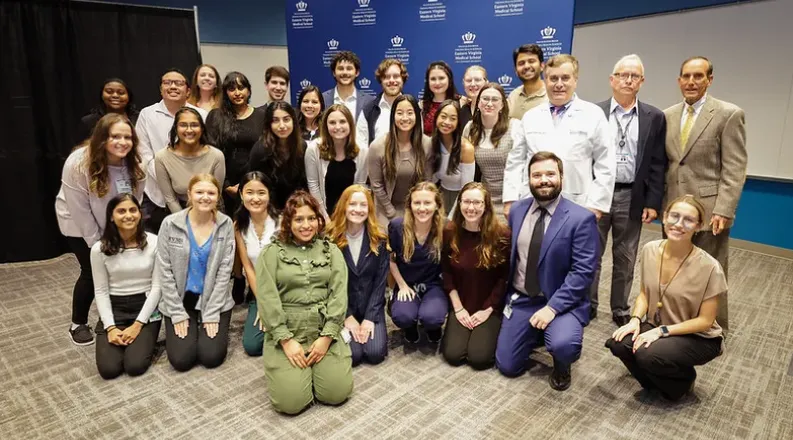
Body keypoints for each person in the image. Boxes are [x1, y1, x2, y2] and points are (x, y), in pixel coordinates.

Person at [496, 152, 599, 391]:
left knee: (564, 345)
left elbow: (583, 272)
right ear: (529, 179)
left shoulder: (580, 218)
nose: (544, 180)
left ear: (561, 177)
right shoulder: (517, 211)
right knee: (508, 366)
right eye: (537, 175)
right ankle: (536, 332)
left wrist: (552, 308)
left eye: (550, 174)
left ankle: (561, 363)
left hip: (561, 302)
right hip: (522, 298)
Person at [605, 195, 725, 401]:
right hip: (658, 325)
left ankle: (683, 381)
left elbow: (705, 321)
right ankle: (656, 382)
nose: (679, 224)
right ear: (665, 217)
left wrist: (661, 332)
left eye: (688, 220)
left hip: (698, 336)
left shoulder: (710, 267)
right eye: (674, 216)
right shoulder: (650, 249)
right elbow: (645, 293)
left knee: (647, 354)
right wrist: (634, 320)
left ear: (698, 226)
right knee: (618, 343)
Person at [663, 56, 747, 332]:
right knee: (674, 267)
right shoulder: (668, 115)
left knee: (712, 269)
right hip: (674, 210)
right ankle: (677, 320)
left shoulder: (728, 114)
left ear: (709, 80)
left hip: (710, 211)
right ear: (679, 80)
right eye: (686, 76)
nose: (691, 82)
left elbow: (734, 167)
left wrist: (725, 209)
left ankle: (714, 326)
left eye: (698, 76)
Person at [255, 190, 353, 415]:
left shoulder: (331, 250)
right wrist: (286, 341)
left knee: (337, 394)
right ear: (288, 222)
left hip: (323, 329)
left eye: (311, 218)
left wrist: (327, 337)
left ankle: (318, 371)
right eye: (298, 219)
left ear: (319, 220)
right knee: (290, 404)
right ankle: (293, 373)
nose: (306, 225)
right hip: (288, 331)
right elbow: (267, 298)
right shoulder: (271, 252)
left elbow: (339, 295)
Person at [55, 113, 146, 346]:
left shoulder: (135, 163)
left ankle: (109, 317)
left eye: (127, 137)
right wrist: (97, 243)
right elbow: (80, 209)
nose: (122, 142)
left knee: (116, 268)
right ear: (101, 138)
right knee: (92, 270)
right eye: (115, 136)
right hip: (78, 223)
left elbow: (133, 200)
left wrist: (127, 230)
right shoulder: (78, 163)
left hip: (116, 220)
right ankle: (78, 323)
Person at [590, 54, 667, 324]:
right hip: (596, 195)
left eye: (634, 76)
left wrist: (652, 202)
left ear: (641, 82)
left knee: (625, 257)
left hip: (631, 195)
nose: (628, 80)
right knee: (591, 254)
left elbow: (658, 163)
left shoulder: (654, 117)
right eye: (623, 74)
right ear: (612, 80)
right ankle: (588, 305)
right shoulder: (593, 113)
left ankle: (620, 309)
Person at [503, 54, 615, 222]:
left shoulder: (593, 115)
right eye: (553, 78)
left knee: (573, 247)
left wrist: (597, 205)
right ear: (545, 80)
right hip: (532, 201)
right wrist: (510, 198)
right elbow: (515, 161)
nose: (559, 84)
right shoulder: (531, 117)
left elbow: (606, 164)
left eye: (565, 78)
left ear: (575, 80)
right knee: (533, 247)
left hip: (577, 203)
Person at [157, 174, 236, 371]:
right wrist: (176, 312)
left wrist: (211, 313)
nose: (205, 197)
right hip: (181, 298)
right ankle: (190, 322)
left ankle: (203, 321)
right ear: (189, 195)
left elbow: (224, 273)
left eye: (211, 193)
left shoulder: (225, 224)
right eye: (199, 192)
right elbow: (164, 271)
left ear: (218, 197)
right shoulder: (170, 224)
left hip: (213, 298)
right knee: (182, 360)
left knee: (211, 357)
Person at [441, 182, 510, 370]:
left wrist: (487, 309)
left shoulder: (502, 235)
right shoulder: (449, 232)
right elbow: (446, 273)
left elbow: (504, 278)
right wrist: (458, 309)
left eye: (477, 203)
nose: (471, 208)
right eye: (466, 202)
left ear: (486, 205)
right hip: (461, 303)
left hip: (489, 305)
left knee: (479, 359)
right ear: (459, 203)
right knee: (453, 355)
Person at [92, 194, 162, 379]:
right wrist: (110, 327)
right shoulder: (99, 249)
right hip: (115, 308)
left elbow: (157, 288)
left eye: (133, 210)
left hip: (146, 305)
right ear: (111, 217)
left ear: (140, 214)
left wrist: (138, 325)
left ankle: (145, 340)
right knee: (109, 370)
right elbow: (100, 290)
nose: (128, 215)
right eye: (121, 211)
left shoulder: (154, 242)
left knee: (135, 366)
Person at [136, 68, 208, 233]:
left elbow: (205, 152)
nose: (173, 86)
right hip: (155, 195)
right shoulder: (147, 114)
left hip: (193, 193)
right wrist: (168, 180)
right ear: (161, 89)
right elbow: (144, 155)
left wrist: (185, 183)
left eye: (179, 83)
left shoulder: (201, 115)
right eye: (168, 83)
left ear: (188, 91)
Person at [326, 185, 390, 366]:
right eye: (352, 204)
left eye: (363, 205)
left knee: (375, 353)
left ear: (370, 209)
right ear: (343, 206)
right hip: (342, 308)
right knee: (353, 356)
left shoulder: (379, 238)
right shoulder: (330, 238)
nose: (358, 209)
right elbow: (329, 284)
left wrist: (370, 318)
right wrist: (346, 316)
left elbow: (380, 283)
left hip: (371, 307)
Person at [388, 182, 447, 349]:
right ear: (409, 205)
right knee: (403, 316)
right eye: (417, 203)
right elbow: (390, 260)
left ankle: (431, 325)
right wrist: (401, 285)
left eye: (427, 203)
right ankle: (410, 325)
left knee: (432, 317)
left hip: (433, 284)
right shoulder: (397, 227)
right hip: (407, 283)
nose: (422, 208)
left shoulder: (446, 228)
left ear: (437, 205)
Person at [367, 94, 434, 227]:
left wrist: (416, 210)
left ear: (416, 115)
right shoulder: (377, 146)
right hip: (386, 210)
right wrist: (391, 212)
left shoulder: (427, 144)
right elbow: (376, 185)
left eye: (410, 113)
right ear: (393, 116)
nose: (405, 118)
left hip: (418, 208)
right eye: (399, 113)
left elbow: (427, 182)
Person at [205, 72, 266, 215]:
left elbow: (265, 151)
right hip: (224, 186)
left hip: (256, 183)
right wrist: (226, 185)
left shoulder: (262, 115)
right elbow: (210, 152)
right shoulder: (216, 116)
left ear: (249, 90)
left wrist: (251, 183)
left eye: (241, 88)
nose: (237, 93)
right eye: (232, 89)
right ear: (225, 92)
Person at [234, 172, 279, 357]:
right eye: (249, 192)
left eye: (261, 192)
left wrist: (276, 303)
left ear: (269, 194)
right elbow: (248, 267)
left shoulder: (282, 222)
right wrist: (263, 303)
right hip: (259, 291)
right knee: (252, 346)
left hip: (286, 289)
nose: (255, 198)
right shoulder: (238, 226)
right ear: (241, 195)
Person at [462, 82, 522, 216]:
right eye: (485, 99)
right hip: (483, 203)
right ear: (478, 103)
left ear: (502, 105)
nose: (489, 103)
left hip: (513, 200)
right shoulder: (470, 129)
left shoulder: (515, 127)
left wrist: (512, 200)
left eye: (495, 99)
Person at [154, 107, 225, 213]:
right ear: (176, 129)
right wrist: (185, 221)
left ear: (202, 129)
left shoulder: (216, 156)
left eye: (194, 125)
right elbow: (170, 199)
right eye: (183, 125)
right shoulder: (162, 157)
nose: (189, 130)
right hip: (178, 212)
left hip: (211, 210)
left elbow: (216, 194)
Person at [305, 104, 369, 218]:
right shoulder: (313, 149)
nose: (338, 127)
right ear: (325, 126)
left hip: (352, 215)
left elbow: (361, 187)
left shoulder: (363, 151)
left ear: (350, 124)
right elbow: (313, 186)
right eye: (332, 123)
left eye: (342, 122)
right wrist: (325, 218)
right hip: (323, 214)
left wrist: (351, 219)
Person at [247, 101, 308, 211]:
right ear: (269, 124)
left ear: (293, 121)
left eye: (286, 119)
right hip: (268, 209)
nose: (282, 126)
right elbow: (257, 187)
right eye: (275, 120)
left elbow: (303, 184)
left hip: (296, 208)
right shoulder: (260, 150)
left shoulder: (302, 146)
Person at [431, 100, 475, 210]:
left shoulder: (466, 148)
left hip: (461, 198)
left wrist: (452, 216)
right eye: (443, 116)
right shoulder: (432, 143)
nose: (447, 122)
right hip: (440, 194)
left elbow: (466, 189)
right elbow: (432, 178)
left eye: (453, 119)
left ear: (458, 122)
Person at [356, 58, 407, 147]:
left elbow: (419, 140)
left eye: (396, 76)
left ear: (403, 79)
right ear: (381, 80)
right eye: (386, 77)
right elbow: (361, 145)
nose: (391, 80)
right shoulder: (368, 110)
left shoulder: (414, 109)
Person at [77, 78, 139, 143]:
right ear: (102, 95)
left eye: (121, 93)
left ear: (129, 96)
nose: (115, 95)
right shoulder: (89, 121)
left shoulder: (138, 118)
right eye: (109, 92)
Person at [322, 51, 373, 123]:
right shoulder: (323, 99)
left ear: (357, 72)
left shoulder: (370, 101)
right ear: (334, 73)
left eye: (349, 68)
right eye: (340, 68)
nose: (345, 72)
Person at [507, 44, 548, 120]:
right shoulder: (513, 96)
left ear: (542, 66)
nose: (526, 66)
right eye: (521, 63)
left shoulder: (551, 95)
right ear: (516, 70)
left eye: (531, 61)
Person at [421, 61, 460, 135]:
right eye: (433, 79)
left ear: (449, 79)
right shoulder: (421, 106)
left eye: (441, 78)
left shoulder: (462, 102)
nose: (437, 83)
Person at [458, 65, 487, 130]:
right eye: (468, 80)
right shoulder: (463, 111)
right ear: (463, 83)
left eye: (477, 80)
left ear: (486, 82)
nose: (473, 84)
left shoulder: (494, 108)